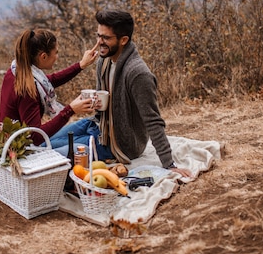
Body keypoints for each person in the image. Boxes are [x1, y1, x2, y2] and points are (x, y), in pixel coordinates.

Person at [53, 10, 193, 178]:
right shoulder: (103, 61)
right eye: (98, 36)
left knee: (54, 154)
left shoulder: (138, 74)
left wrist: (169, 164)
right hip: (98, 126)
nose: (99, 42)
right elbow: (105, 100)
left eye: (106, 38)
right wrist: (95, 104)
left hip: (119, 144)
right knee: (46, 141)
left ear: (123, 40)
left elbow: (153, 120)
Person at [0, 28, 99, 167]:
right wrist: (70, 110)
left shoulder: (18, 70)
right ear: (43, 56)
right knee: (82, 149)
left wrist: (81, 65)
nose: (57, 56)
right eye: (55, 52)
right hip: (23, 151)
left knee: (86, 124)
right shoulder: (27, 89)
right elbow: (35, 137)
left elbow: (50, 81)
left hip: (21, 141)